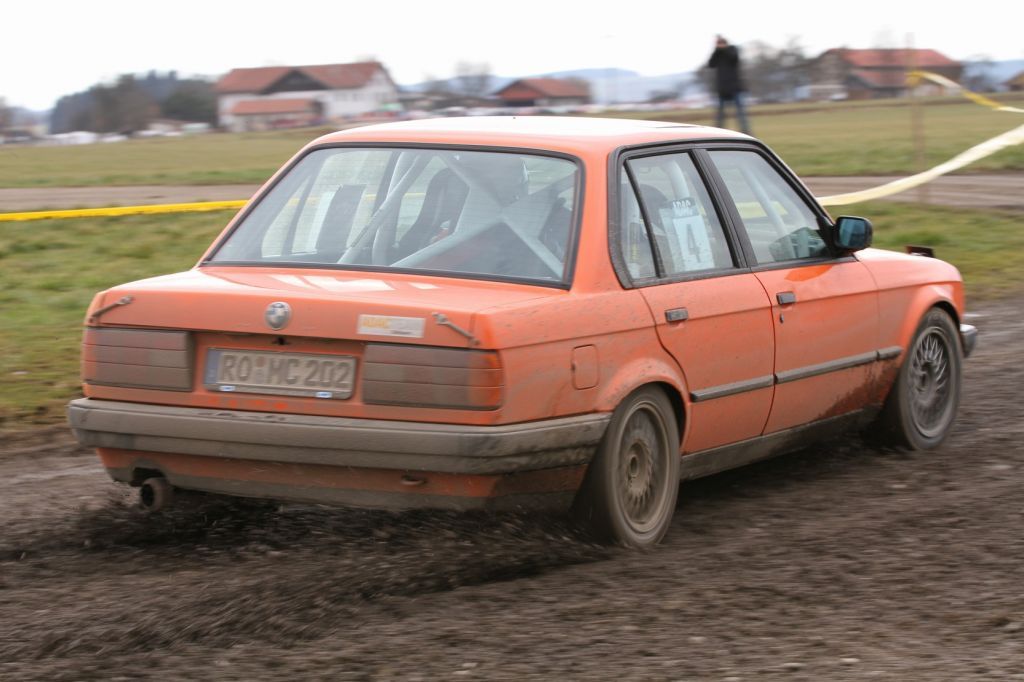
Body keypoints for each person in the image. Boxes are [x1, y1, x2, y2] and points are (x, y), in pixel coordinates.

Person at [707, 35, 750, 134]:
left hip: (735, 88)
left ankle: (746, 132)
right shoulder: (717, 53)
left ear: (726, 43)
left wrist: (724, 49)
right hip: (722, 89)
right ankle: (717, 132)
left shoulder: (732, 49)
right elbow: (711, 64)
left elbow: (734, 58)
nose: (720, 45)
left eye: (721, 43)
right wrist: (716, 50)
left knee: (741, 113)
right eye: (718, 44)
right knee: (720, 115)